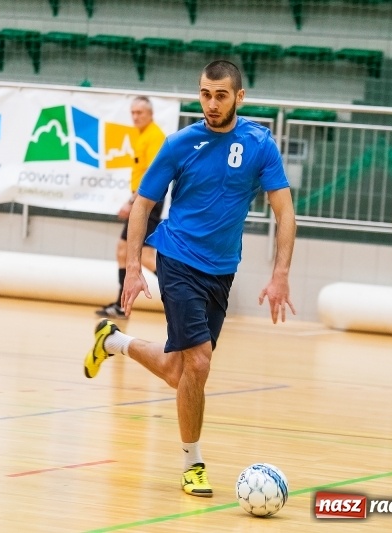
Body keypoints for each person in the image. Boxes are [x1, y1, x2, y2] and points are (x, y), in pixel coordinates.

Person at [83, 60, 296, 497]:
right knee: (198, 363)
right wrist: (133, 272)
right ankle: (192, 463)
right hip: (178, 258)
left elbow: (284, 209)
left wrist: (280, 275)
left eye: (220, 95)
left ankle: (113, 341)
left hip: (222, 270)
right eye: (204, 94)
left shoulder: (259, 144)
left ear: (240, 97)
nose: (211, 104)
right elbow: (143, 204)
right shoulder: (181, 143)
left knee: (179, 371)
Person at [95, 96, 166, 319]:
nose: (135, 117)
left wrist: (132, 202)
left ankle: (184, 293)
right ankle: (122, 305)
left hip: (148, 203)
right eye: (133, 112)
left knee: (145, 257)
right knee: (123, 250)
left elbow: (152, 175)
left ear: (150, 114)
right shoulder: (141, 135)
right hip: (141, 201)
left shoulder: (154, 137)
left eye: (140, 113)